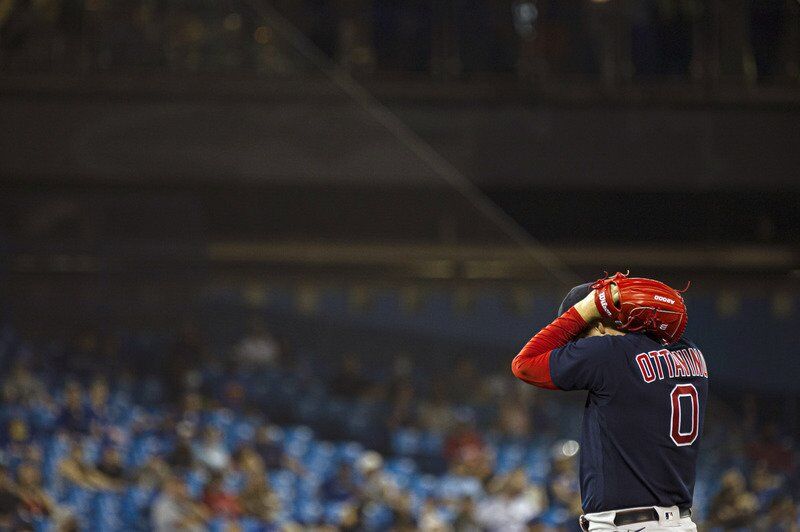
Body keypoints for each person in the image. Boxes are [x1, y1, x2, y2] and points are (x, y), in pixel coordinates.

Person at [512, 273, 707, 531]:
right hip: (680, 523)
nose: (574, 348)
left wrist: (586, 308)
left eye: (578, 339)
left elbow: (524, 365)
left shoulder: (609, 354)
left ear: (601, 325)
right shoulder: (691, 352)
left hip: (627, 525)